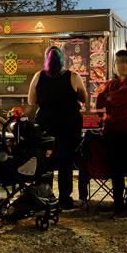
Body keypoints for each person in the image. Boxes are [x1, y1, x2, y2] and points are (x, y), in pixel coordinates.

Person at [27, 46, 87, 210]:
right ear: (63, 60)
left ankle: (45, 198)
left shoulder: (38, 76)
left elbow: (31, 101)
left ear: (46, 60)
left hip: (46, 126)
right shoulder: (73, 76)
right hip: (68, 126)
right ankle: (65, 200)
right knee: (65, 163)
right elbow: (84, 98)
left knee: (45, 164)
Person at [95, 49, 127, 219]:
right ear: (114, 65)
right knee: (114, 171)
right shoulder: (111, 84)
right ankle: (118, 205)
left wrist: (110, 98)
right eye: (118, 62)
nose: (121, 65)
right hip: (110, 131)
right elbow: (98, 100)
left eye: (125, 61)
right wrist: (110, 97)